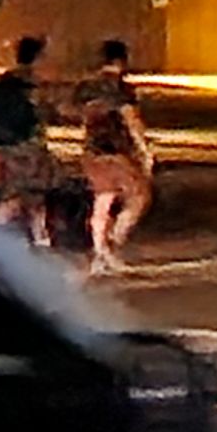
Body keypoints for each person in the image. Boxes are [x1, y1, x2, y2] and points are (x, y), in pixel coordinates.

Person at [77, 38, 155, 273]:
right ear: (122, 61)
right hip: (116, 152)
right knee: (139, 198)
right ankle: (112, 243)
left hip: (92, 151)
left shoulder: (85, 88)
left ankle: (99, 253)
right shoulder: (121, 90)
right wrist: (145, 151)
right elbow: (132, 122)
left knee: (103, 199)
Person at [0, 35, 53, 246]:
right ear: (37, 58)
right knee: (20, 197)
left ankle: (41, 238)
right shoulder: (30, 86)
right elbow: (41, 115)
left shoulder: (2, 83)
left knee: (33, 197)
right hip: (26, 147)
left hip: (5, 145)